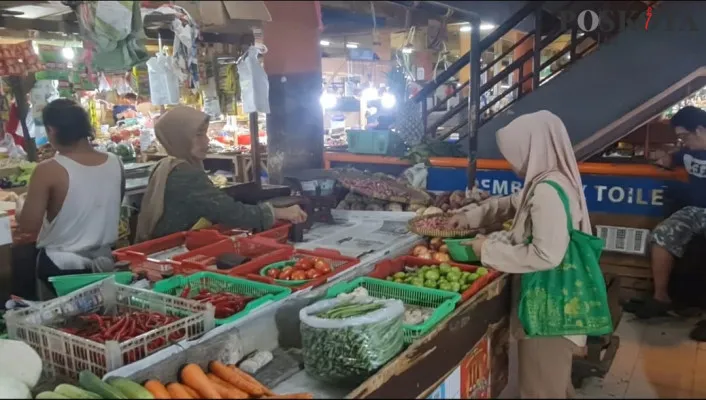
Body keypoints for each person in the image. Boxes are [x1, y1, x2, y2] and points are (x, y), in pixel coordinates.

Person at [448, 110, 592, 398]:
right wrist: (471, 217)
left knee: (540, 389)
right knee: (553, 383)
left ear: (531, 148)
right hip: (557, 304)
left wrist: (485, 249)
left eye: (513, 153)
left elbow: (546, 255)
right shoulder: (548, 181)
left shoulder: (548, 192)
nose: (510, 162)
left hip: (548, 311)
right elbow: (511, 203)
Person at [135, 106, 307, 242]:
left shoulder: (166, 165)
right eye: (198, 135)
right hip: (170, 251)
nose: (207, 141)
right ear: (180, 138)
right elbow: (229, 212)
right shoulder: (183, 173)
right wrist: (278, 212)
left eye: (205, 134)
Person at [17, 99, 125, 297]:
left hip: (61, 271)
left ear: (51, 130)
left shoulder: (48, 170)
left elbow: (28, 227)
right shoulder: (115, 162)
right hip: (104, 264)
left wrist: (21, 203)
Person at [628, 106, 706, 320]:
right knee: (661, 235)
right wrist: (664, 157)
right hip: (695, 211)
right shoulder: (689, 152)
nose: (683, 142)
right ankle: (661, 298)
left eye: (684, 136)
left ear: (699, 130)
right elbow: (672, 158)